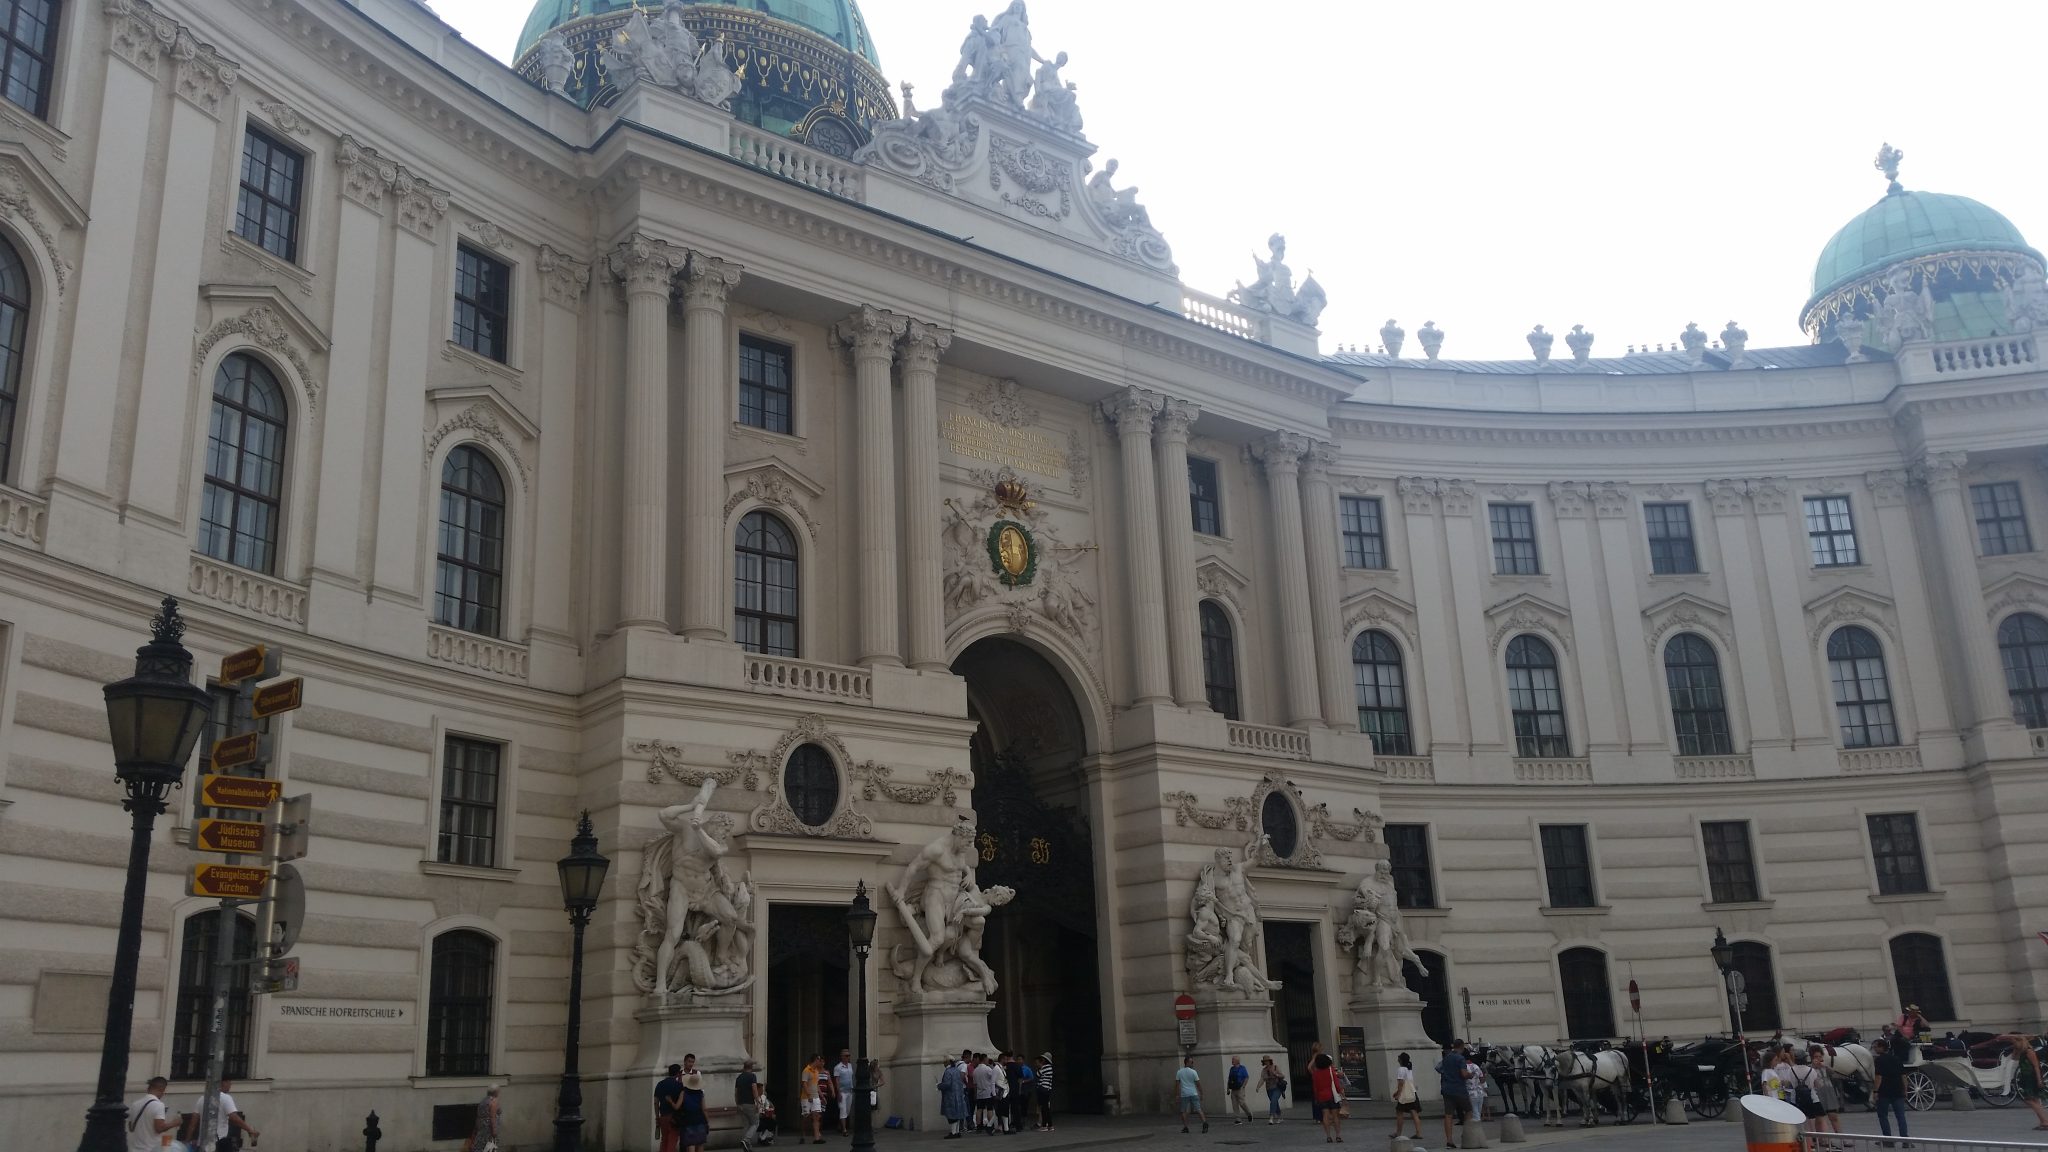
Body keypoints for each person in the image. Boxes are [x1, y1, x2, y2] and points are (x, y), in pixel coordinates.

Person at [194, 1078, 259, 1152]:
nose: (230, 1085)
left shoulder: (202, 1099)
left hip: (203, 1143)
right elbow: (234, 1118)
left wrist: (187, 1139)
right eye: (229, 1082)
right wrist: (249, 1130)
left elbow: (194, 1121)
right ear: (223, 1083)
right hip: (219, 1142)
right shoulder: (226, 1098)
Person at [1872, 1037, 1910, 1146]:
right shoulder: (1897, 1059)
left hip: (1884, 1092)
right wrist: (1905, 1089)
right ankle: (1905, 1140)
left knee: (1883, 1116)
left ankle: (1888, 1139)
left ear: (1881, 1047)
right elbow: (1903, 1076)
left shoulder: (1879, 1060)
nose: (1874, 1049)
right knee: (1901, 1116)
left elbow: (1878, 1077)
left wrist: (1875, 1091)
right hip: (1897, 1090)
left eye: (1875, 1047)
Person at [128, 1076, 179, 1152]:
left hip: (135, 1149)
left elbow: (131, 1128)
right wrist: (174, 1123)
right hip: (151, 1149)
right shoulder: (159, 1105)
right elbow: (159, 1128)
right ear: (162, 1089)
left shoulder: (135, 1104)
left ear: (148, 1088)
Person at [1785, 1049, 1827, 1139]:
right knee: (1819, 1117)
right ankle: (1822, 1140)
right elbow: (1818, 1085)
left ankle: (1807, 1141)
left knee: (1801, 1120)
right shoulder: (1811, 1070)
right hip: (1812, 1098)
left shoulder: (1790, 1070)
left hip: (1796, 1099)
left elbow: (1787, 1084)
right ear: (1805, 1059)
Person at [1437, 1040, 1472, 1147]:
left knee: (1448, 1115)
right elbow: (1464, 1074)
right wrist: (1470, 1075)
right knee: (1469, 1110)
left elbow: (1438, 1068)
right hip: (1459, 1089)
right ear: (1462, 1046)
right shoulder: (1460, 1058)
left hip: (1447, 1089)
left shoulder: (1446, 1057)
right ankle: (1466, 1135)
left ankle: (1449, 1140)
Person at [1310, 1051, 1343, 1143]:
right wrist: (1340, 1093)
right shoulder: (1330, 1071)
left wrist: (1316, 1098)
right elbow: (1336, 1083)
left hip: (1321, 1096)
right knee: (1335, 1116)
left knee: (1325, 1116)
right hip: (1332, 1096)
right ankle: (1338, 1135)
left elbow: (1315, 1087)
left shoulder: (1315, 1073)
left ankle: (1328, 1136)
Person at [1391, 1053, 1422, 1139]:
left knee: (1399, 1112)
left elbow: (1401, 1083)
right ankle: (1418, 1133)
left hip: (1405, 1094)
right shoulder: (1409, 1068)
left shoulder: (1401, 1069)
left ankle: (1398, 1133)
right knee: (1414, 1112)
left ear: (1401, 1060)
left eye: (1399, 1058)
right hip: (1412, 1092)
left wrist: (1398, 1094)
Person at [736, 1059, 764, 1152]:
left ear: (744, 1067)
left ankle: (747, 1147)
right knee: (755, 1123)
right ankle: (746, 1139)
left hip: (741, 1104)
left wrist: (737, 1103)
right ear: (751, 1067)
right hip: (749, 1103)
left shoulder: (739, 1078)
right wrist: (757, 1101)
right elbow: (754, 1089)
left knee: (746, 1125)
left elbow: (736, 1092)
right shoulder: (752, 1076)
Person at [656, 1062, 686, 1152]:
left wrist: (657, 1116)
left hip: (663, 1115)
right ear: (678, 1073)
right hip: (674, 1117)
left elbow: (656, 1102)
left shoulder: (660, 1084)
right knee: (672, 1140)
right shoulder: (679, 1086)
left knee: (664, 1140)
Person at [679, 1068, 710, 1152]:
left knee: (690, 1143)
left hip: (688, 1119)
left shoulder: (684, 1093)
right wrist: (707, 1121)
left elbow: (679, 1106)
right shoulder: (700, 1094)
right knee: (700, 1143)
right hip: (700, 1119)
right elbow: (704, 1109)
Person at [940, 1055, 970, 1138]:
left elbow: (947, 1084)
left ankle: (953, 1132)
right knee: (957, 1114)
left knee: (952, 1115)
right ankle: (956, 1132)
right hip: (958, 1095)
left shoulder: (948, 1071)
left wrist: (939, 1086)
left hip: (950, 1096)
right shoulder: (956, 1070)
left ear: (947, 1062)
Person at [1176, 1055, 1208, 1134]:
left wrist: (1177, 1095)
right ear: (1187, 1062)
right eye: (1191, 1062)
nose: (1192, 1063)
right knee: (1198, 1109)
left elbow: (1177, 1085)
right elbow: (1198, 1084)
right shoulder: (1193, 1072)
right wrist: (1201, 1093)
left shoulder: (1179, 1072)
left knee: (1183, 1111)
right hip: (1193, 1093)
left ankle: (1185, 1127)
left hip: (1184, 1094)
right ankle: (1204, 1123)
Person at [799, 1054, 825, 1144]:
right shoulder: (806, 1070)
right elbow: (804, 1083)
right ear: (815, 1060)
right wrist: (809, 1095)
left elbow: (817, 1085)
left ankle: (817, 1138)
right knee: (806, 1116)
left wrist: (822, 1096)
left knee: (816, 1116)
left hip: (816, 1096)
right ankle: (802, 1134)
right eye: (819, 1060)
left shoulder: (816, 1071)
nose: (820, 1062)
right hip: (806, 1097)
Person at [470, 1086, 502, 1152]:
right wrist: (494, 1130)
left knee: (480, 1144)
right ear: (496, 1092)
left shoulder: (483, 1101)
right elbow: (492, 1117)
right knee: (490, 1146)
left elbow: (479, 1115)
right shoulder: (493, 1101)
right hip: (489, 1128)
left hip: (481, 1125)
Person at [833, 1049, 855, 1136]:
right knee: (843, 1109)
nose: (848, 1057)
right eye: (846, 1056)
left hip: (849, 1090)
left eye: (849, 1055)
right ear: (842, 1057)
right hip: (842, 1091)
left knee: (847, 1110)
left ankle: (840, 1125)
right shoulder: (838, 1067)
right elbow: (837, 1080)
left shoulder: (850, 1065)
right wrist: (838, 1092)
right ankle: (844, 1130)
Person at [1260, 1055, 1286, 1124]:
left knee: (1273, 1100)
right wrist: (1258, 1087)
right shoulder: (1264, 1070)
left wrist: (1276, 1074)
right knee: (1274, 1102)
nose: (1266, 1062)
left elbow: (1283, 1076)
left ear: (1270, 1061)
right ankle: (1280, 1117)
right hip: (1269, 1088)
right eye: (1265, 1061)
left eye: (1267, 1061)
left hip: (1277, 1087)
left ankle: (1271, 1117)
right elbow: (1262, 1079)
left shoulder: (1275, 1067)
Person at [1227, 1056, 1252, 1124]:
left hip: (1240, 1088)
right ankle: (1238, 1118)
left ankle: (1249, 1113)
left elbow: (1246, 1077)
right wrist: (1228, 1088)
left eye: (1233, 1060)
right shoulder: (1231, 1069)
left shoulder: (1242, 1068)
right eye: (1232, 1059)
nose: (1232, 1061)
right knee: (1234, 1104)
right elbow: (1229, 1079)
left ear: (1237, 1061)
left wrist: (1243, 1086)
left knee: (1242, 1103)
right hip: (1233, 1088)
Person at [1035, 1053, 1055, 1131]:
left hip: (1043, 1088)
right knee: (1046, 1108)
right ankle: (1050, 1125)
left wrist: (1039, 1067)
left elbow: (1037, 1074)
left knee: (1044, 1108)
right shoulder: (1050, 1068)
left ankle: (1044, 1126)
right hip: (1047, 1089)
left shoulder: (1045, 1067)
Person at [1465, 1056, 1488, 1122]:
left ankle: (1476, 1125)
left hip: (1470, 1092)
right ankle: (1478, 1123)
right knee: (1478, 1112)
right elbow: (1482, 1080)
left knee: (1474, 1112)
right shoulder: (1477, 1067)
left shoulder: (1463, 1067)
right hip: (1480, 1092)